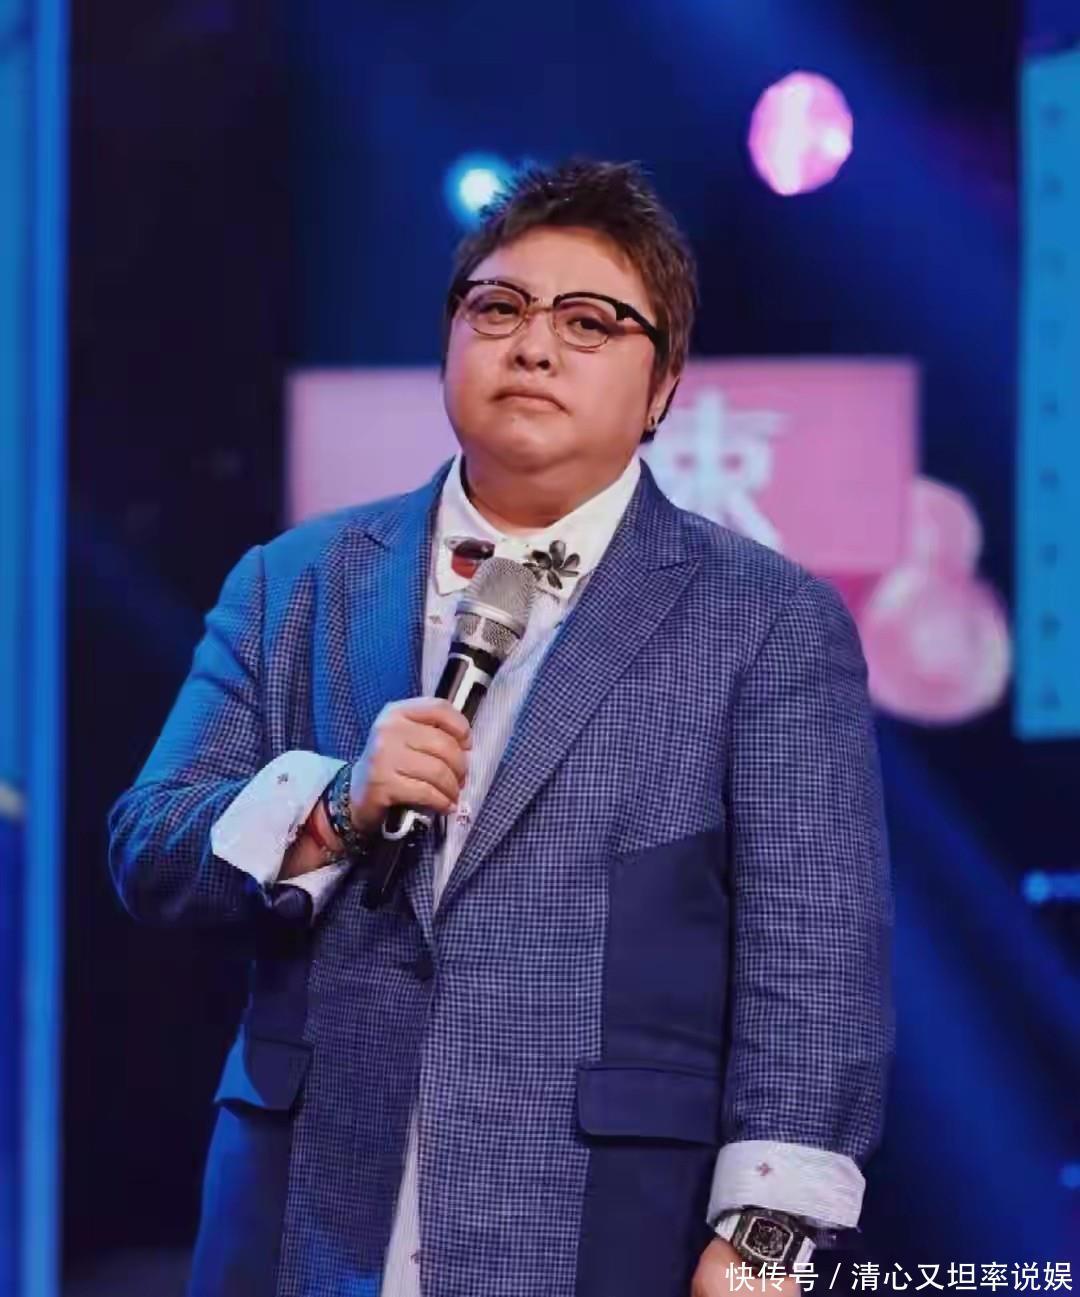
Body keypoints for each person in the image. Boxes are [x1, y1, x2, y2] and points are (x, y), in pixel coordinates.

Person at [109, 159, 894, 1297]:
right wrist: (333, 804)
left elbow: (816, 966)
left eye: (589, 323)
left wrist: (765, 1245)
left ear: (664, 386)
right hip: (305, 1224)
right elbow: (150, 849)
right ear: (450, 341)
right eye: (499, 308)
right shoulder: (296, 583)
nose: (533, 347)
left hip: (603, 1228)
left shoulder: (763, 621)